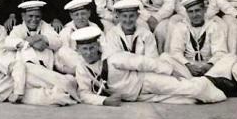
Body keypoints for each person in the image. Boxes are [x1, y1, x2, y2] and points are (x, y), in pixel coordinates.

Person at [72, 25, 226, 106]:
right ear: (78, 50)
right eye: (84, 49)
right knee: (189, 101)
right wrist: (103, 101)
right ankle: (209, 90)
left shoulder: (113, 57)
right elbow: (84, 93)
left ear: (98, 46)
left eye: (92, 47)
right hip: (137, 97)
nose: (89, 52)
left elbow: (142, 62)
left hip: (146, 81)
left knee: (190, 89)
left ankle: (216, 85)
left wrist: (170, 70)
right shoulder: (82, 67)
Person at [159, 0, 237, 96]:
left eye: (197, 10)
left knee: (231, 57)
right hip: (188, 68)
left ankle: (206, 81)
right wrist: (188, 65)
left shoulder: (214, 26)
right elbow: (176, 52)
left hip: (209, 68)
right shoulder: (180, 27)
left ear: (204, 10)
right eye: (191, 12)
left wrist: (208, 65)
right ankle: (206, 84)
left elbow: (220, 52)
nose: (195, 15)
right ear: (187, 13)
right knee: (164, 57)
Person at [4, 1, 62, 70]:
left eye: (37, 16)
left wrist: (40, 37)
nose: (34, 20)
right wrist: (27, 43)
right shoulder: (19, 28)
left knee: (48, 48)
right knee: (17, 51)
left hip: (45, 66)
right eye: (30, 16)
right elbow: (8, 43)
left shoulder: (45, 26)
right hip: (26, 68)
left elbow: (58, 42)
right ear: (23, 16)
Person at [55, 0, 101, 75]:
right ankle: (88, 72)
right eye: (76, 15)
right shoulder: (67, 30)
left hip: (93, 61)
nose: (80, 17)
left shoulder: (95, 28)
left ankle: (91, 72)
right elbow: (60, 56)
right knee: (63, 51)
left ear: (89, 13)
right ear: (71, 16)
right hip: (74, 66)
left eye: (83, 13)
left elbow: (103, 47)